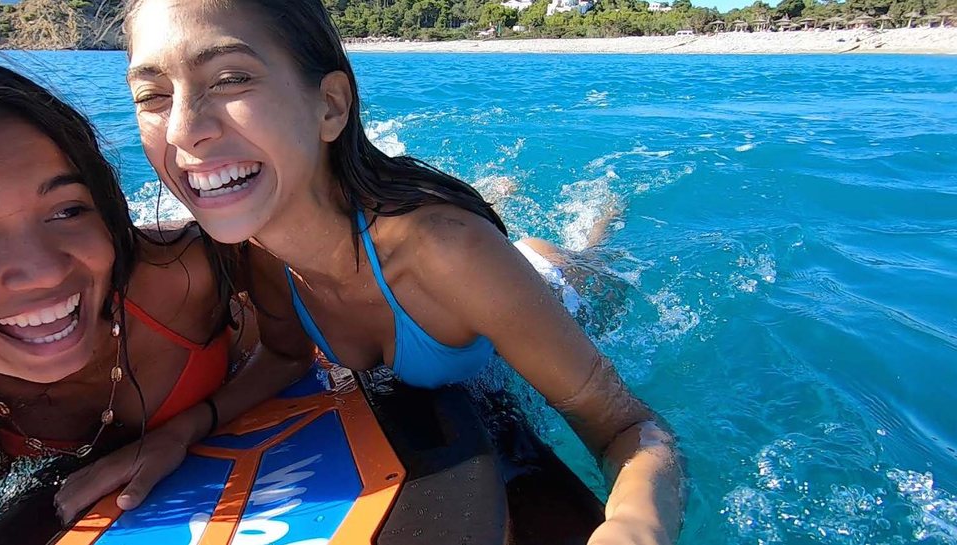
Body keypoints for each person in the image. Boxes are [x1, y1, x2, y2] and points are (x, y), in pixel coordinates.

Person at [63, 1, 684, 543]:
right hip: (434, 258)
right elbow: (284, 359)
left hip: (528, 286)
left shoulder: (448, 253)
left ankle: (595, 226)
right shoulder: (256, 244)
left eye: (229, 78)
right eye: (151, 95)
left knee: (583, 258)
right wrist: (180, 435)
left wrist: (630, 530)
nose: (182, 130)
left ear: (330, 105)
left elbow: (630, 426)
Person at [0, 52, 309, 544]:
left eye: (66, 210)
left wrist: (181, 431)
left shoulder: (190, 269)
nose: (45, 272)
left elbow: (290, 351)